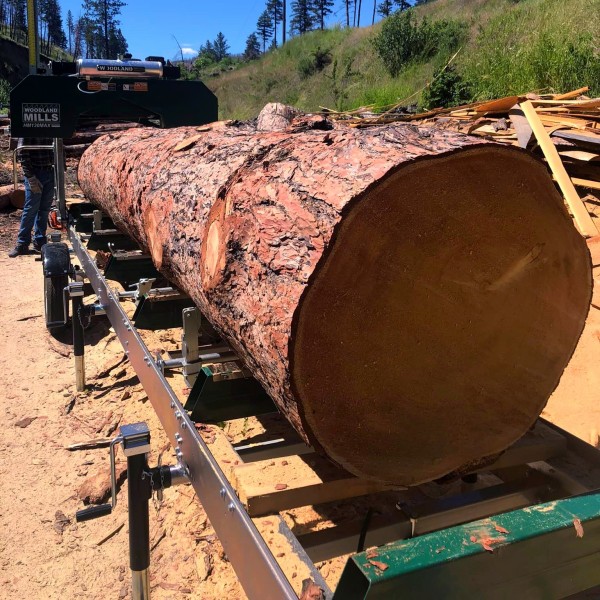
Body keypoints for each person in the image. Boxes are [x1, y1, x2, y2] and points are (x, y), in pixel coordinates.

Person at [8, 138, 55, 257]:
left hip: (50, 171)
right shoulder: (28, 129)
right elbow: (22, 152)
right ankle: (22, 244)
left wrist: (60, 168)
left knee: (44, 209)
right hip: (35, 173)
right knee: (30, 209)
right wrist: (30, 177)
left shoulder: (51, 129)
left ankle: (40, 241)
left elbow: (58, 148)